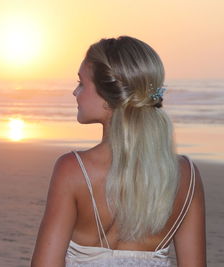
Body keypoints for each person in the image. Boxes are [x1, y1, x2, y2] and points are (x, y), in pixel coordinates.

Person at [31, 36, 206, 266]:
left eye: (82, 83)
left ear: (107, 95)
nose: (75, 92)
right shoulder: (186, 175)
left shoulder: (73, 169)